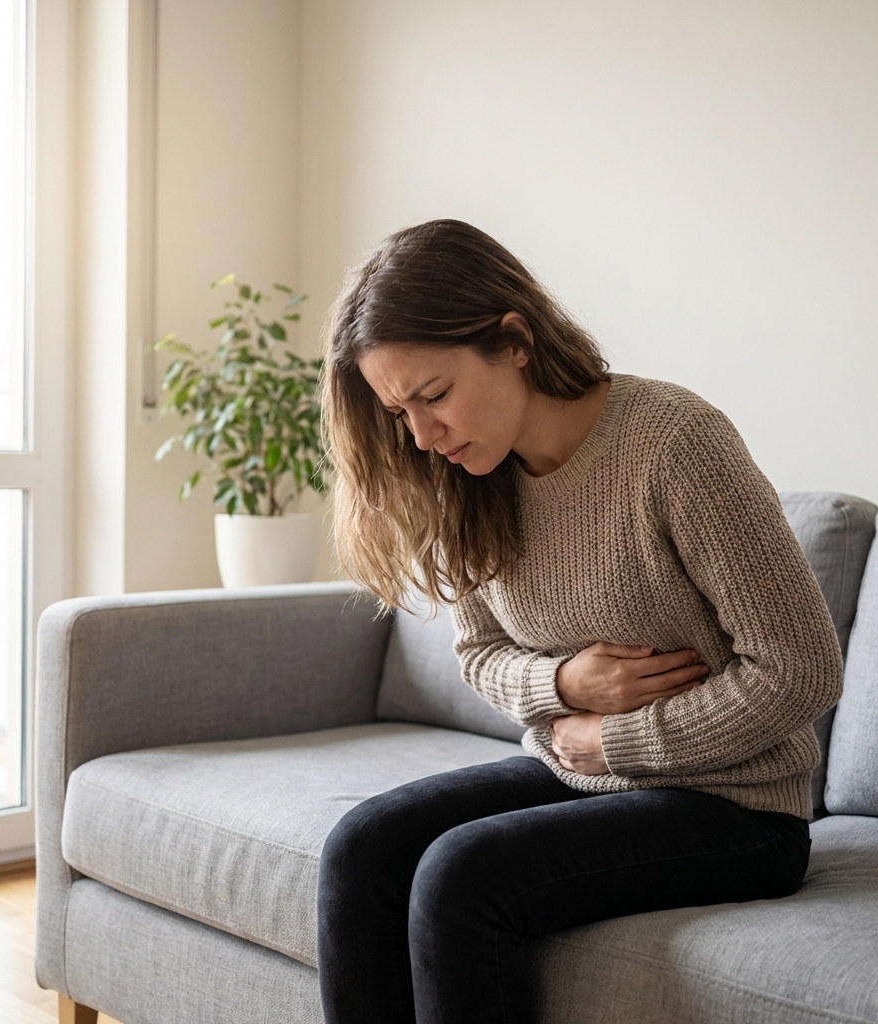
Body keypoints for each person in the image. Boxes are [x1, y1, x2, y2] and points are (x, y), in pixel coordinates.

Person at [316, 219, 842, 1024]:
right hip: (581, 777)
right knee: (364, 847)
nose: (422, 435)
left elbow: (801, 668)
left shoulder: (673, 443)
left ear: (514, 340)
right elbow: (481, 652)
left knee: (462, 874)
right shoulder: (468, 479)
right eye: (400, 412)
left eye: (434, 396)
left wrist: (610, 739)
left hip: (738, 810)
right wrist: (563, 682)